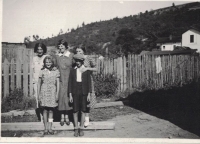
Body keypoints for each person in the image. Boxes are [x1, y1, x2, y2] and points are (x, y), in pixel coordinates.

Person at [69, 54, 91, 137]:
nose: (78, 62)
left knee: (83, 110)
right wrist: (70, 95)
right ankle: (76, 128)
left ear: (82, 61)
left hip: (84, 91)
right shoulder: (72, 70)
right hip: (75, 91)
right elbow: (70, 83)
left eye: (79, 61)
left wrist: (89, 94)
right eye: (76, 61)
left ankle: (81, 128)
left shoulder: (86, 70)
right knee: (75, 110)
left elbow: (89, 83)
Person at [37, 56, 60, 135]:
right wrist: (38, 94)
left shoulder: (56, 71)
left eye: (50, 62)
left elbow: (58, 84)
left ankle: (50, 127)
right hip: (44, 91)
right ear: (44, 63)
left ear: (52, 63)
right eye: (46, 62)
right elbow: (39, 83)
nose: (48, 64)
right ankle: (45, 127)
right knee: (45, 110)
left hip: (52, 92)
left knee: (51, 110)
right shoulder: (42, 71)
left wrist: (57, 94)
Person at [75, 46, 97, 127]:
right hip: (79, 81)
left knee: (88, 99)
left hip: (88, 81)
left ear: (83, 51)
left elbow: (96, 68)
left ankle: (86, 119)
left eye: (80, 51)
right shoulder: (76, 59)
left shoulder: (88, 58)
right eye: (77, 51)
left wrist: (87, 68)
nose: (78, 53)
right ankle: (80, 118)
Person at [54, 39, 73, 126]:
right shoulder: (57, 56)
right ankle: (62, 117)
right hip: (60, 80)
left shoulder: (71, 55)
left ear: (66, 46)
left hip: (69, 79)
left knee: (68, 98)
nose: (60, 47)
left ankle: (67, 117)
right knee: (61, 97)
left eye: (62, 46)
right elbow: (54, 66)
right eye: (59, 46)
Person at [32, 43, 48, 122]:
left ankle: (47, 117)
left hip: (44, 81)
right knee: (38, 99)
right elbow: (32, 70)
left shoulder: (46, 57)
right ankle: (41, 117)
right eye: (38, 49)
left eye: (41, 49)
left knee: (45, 98)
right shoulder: (34, 59)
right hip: (36, 81)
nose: (39, 51)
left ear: (44, 50)